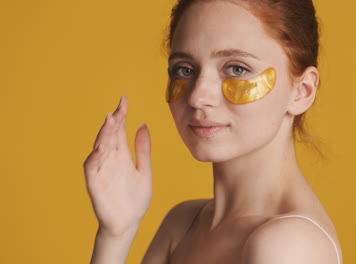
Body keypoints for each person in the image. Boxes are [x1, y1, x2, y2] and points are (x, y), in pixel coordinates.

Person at [83, 0, 342, 263]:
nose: (197, 97)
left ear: (302, 91)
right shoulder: (183, 223)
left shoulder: (289, 246)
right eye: (185, 70)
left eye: (237, 69)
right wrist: (116, 234)